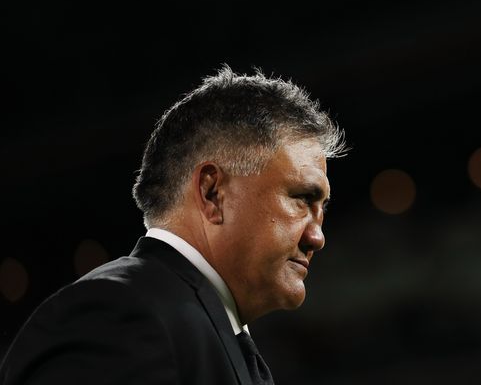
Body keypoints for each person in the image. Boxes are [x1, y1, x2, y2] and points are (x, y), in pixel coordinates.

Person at [0, 66, 346, 384]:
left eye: (321, 210)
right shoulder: (122, 315)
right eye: (301, 198)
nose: (317, 237)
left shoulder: (190, 326)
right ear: (213, 193)